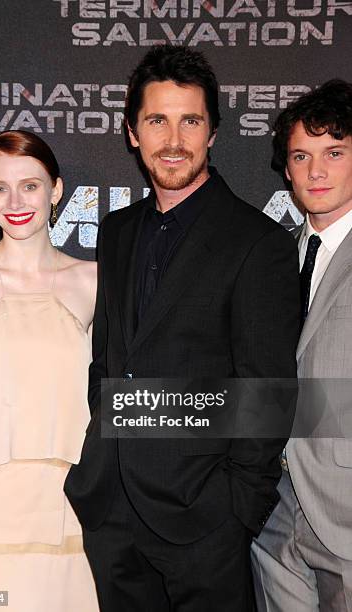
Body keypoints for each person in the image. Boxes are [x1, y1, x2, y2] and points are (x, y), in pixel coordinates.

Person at [65, 45, 300, 611]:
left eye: (190, 120)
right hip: (111, 509)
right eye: (157, 120)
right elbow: (109, 361)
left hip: (203, 519)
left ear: (214, 132)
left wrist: (235, 511)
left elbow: (267, 393)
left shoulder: (257, 243)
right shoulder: (115, 232)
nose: (174, 139)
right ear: (131, 133)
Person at [0, 131, 99, 611]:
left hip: (71, 498)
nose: (15, 202)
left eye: (30, 186)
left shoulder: (94, 281)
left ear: (55, 191)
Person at [251, 79, 352, 611]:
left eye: (334, 152)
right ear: (285, 168)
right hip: (271, 509)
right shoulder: (270, 257)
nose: (316, 171)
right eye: (301, 155)